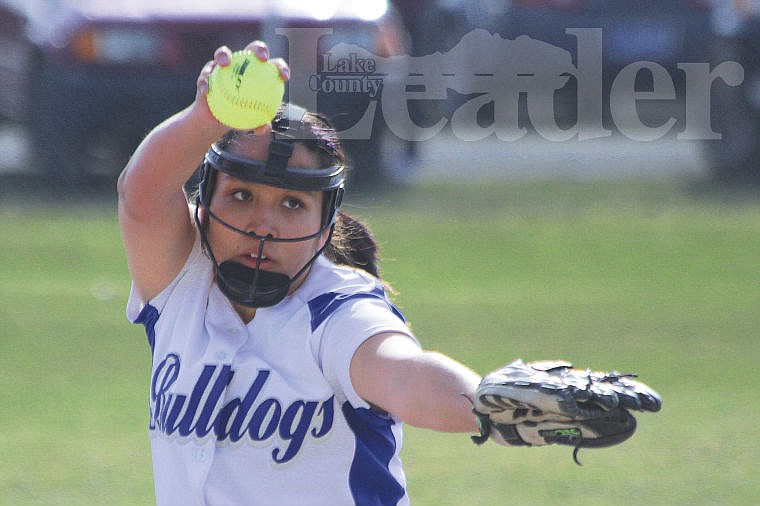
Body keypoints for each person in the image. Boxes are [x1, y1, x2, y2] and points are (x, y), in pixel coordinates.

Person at [118, 41, 481, 505]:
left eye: (292, 204)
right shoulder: (184, 284)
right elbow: (141, 196)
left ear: (325, 225)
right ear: (204, 202)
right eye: (242, 195)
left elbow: (406, 378)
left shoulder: (340, 311)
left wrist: (492, 403)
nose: (263, 224)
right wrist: (203, 120)